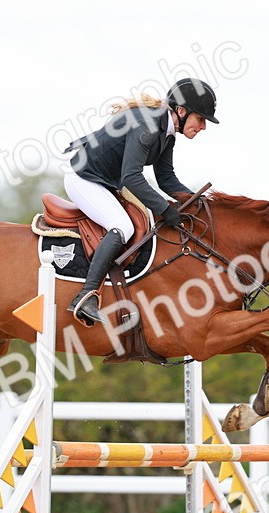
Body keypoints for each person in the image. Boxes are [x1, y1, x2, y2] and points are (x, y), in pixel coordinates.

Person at [62, 77, 218, 326]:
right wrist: (165, 209)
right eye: (201, 119)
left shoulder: (167, 134)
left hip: (104, 182)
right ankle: (86, 296)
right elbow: (131, 178)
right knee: (123, 226)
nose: (203, 127)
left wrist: (200, 202)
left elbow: (167, 180)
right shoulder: (147, 125)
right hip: (83, 179)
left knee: (140, 221)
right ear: (181, 111)